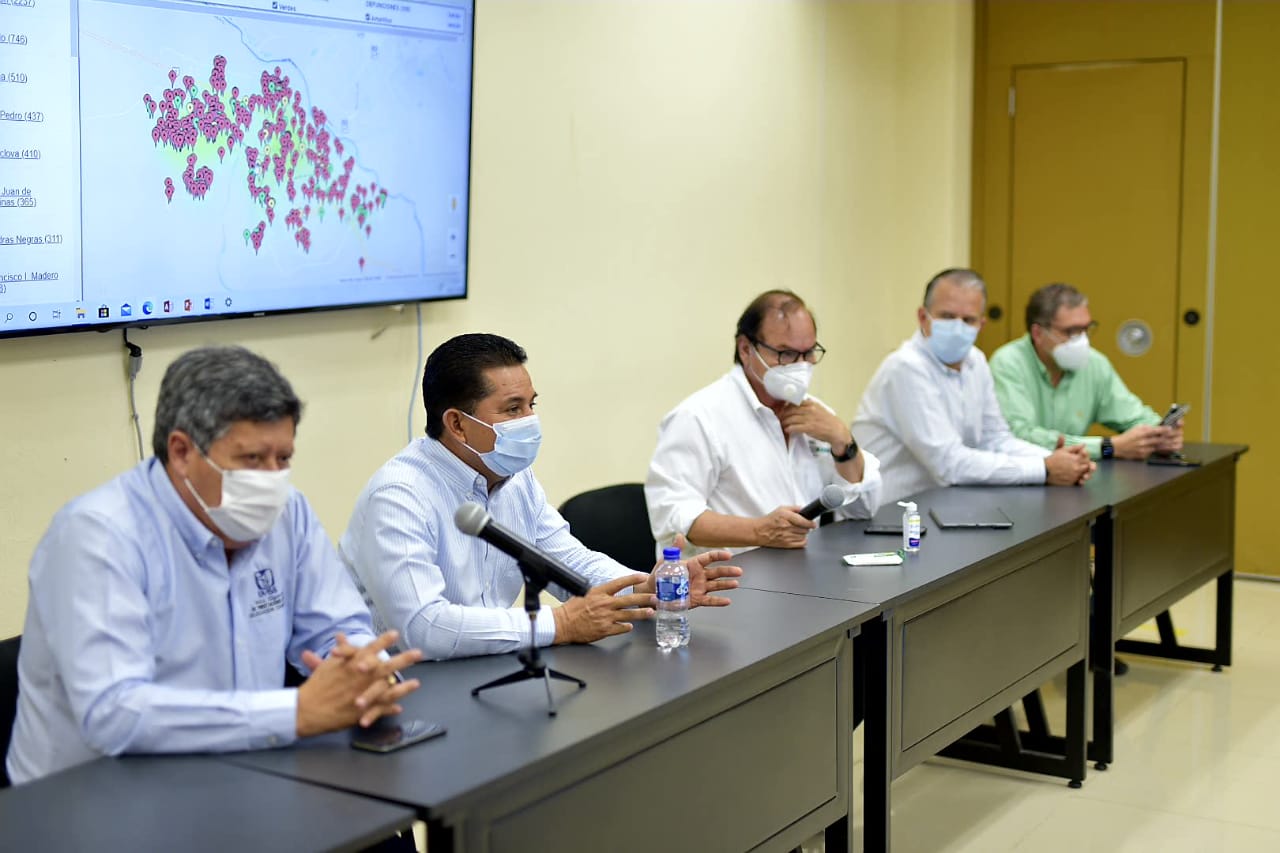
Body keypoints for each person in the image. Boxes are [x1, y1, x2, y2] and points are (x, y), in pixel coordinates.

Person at [6, 346, 420, 786]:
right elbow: (114, 713)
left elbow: (334, 629)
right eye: (252, 459)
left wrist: (365, 672)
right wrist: (294, 713)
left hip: (238, 774)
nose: (272, 479)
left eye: (283, 459)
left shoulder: (288, 512)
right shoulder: (98, 535)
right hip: (88, 801)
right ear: (182, 452)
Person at [340, 333, 742, 661]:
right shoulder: (399, 496)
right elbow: (425, 629)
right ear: (458, 424)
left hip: (489, 665)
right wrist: (559, 624)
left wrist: (646, 589)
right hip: (402, 691)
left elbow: (569, 565)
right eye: (512, 409)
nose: (530, 421)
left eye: (531, 405)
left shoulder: (514, 478)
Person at [645, 290, 882, 553]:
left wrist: (843, 442)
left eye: (808, 353)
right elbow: (673, 517)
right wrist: (760, 531)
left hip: (805, 569)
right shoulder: (698, 417)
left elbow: (862, 511)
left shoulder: (817, 416)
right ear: (746, 349)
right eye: (786, 354)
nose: (801, 366)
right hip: (730, 574)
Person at [853, 268, 1095, 503]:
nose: (958, 327)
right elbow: (948, 463)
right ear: (923, 317)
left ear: (981, 324)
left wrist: (1063, 461)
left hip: (948, 506)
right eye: (947, 316)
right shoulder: (905, 367)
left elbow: (995, 439)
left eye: (968, 319)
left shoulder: (975, 361)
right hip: (890, 515)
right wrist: (1045, 468)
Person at [990, 282, 1183, 461]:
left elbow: (1131, 415)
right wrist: (1108, 447)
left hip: (1076, 475)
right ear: (1038, 333)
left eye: (1085, 329)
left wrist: (1159, 435)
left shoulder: (1094, 363)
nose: (1081, 340)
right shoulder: (1008, 363)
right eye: (1070, 331)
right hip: (1024, 474)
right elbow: (1021, 436)